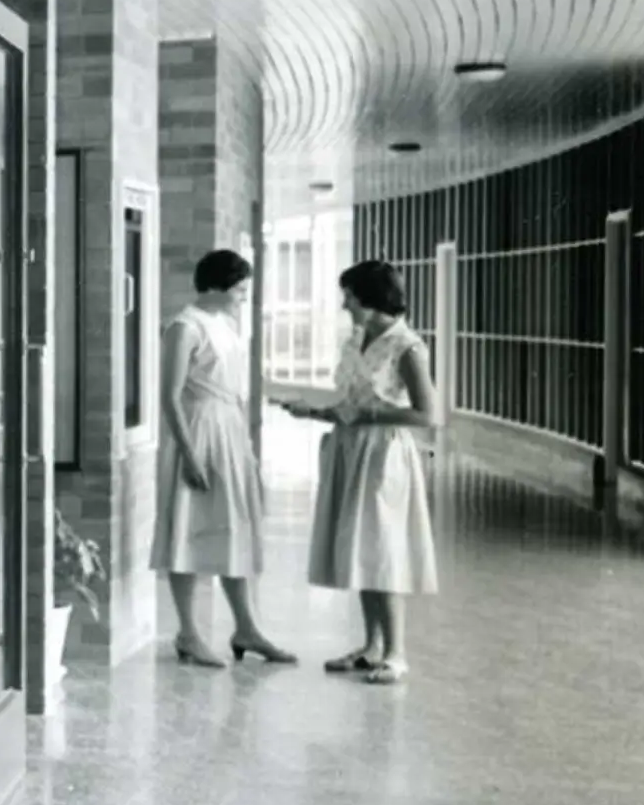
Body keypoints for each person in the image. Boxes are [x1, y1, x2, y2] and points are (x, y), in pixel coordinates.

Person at [272, 259, 442, 685]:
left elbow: (429, 415)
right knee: (364, 549)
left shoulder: (407, 346)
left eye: (349, 295)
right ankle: (371, 648)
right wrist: (314, 412)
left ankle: (397, 654)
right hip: (352, 451)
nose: (344, 303)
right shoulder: (356, 339)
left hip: (384, 456)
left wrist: (368, 416)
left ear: (371, 297)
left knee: (384, 550)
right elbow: (349, 403)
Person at [153, 249, 294, 668]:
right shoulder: (184, 327)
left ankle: (246, 627)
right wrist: (190, 456)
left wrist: (246, 450)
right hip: (198, 433)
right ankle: (189, 633)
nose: (242, 298)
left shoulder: (227, 325)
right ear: (214, 287)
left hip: (229, 433)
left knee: (234, 528)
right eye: (239, 290)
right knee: (189, 529)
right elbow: (170, 396)